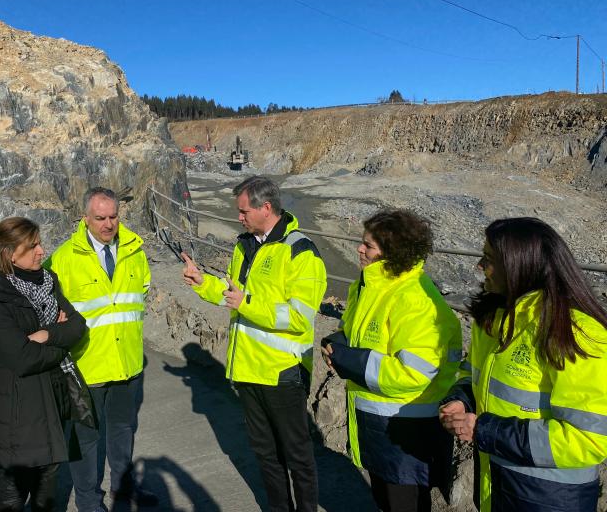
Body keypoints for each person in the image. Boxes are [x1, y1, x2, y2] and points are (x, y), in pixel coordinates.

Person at [439, 217, 607, 512]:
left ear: (519, 264)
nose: (479, 266)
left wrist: (485, 431)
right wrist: (461, 399)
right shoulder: (495, 318)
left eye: (488, 259)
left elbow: (587, 439)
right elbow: (475, 373)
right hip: (497, 480)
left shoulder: (577, 334)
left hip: (550, 497)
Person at [182, 175, 326, 512]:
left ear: (266, 207)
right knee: (265, 454)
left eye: (244, 210)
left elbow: (299, 317)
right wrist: (203, 282)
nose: (239, 217)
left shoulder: (301, 251)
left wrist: (246, 303)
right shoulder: (245, 244)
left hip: (281, 372)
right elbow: (232, 295)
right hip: (247, 370)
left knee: (297, 456)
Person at [321, 209, 462, 512]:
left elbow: (412, 373)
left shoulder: (414, 299)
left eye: (368, 246)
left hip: (405, 433)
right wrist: (337, 344)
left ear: (392, 253)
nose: (359, 249)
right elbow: (356, 332)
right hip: (379, 427)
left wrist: (349, 361)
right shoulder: (369, 286)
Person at [0, 217, 89, 511]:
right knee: (16, 485)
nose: (41, 251)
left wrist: (47, 334)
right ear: (9, 253)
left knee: (49, 478)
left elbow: (78, 326)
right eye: (32, 246)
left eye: (39, 243)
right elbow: (20, 358)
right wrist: (60, 347)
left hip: (54, 396)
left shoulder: (48, 281)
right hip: (19, 406)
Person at [45, 187, 157, 511]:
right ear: (85, 219)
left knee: (123, 431)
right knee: (86, 439)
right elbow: (45, 302)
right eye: (100, 218)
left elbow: (141, 293)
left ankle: (123, 489)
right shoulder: (64, 258)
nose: (108, 224)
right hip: (87, 366)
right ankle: (88, 501)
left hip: (127, 363)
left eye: (113, 217)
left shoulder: (135, 250)